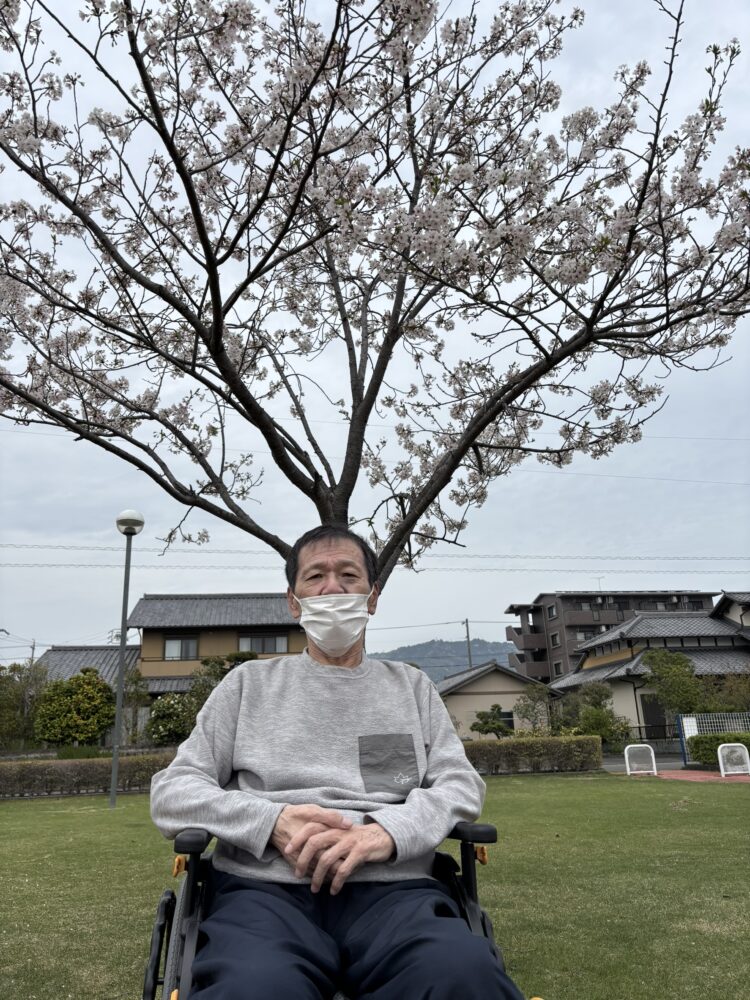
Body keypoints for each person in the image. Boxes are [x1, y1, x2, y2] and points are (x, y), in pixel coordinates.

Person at [150, 525, 525, 1000]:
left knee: (462, 974)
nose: (332, 588)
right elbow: (173, 791)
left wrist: (386, 832)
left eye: (348, 576)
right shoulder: (247, 685)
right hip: (263, 895)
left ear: (372, 597)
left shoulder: (411, 687)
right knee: (258, 987)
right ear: (293, 602)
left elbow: (459, 784)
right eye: (315, 577)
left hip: (396, 894)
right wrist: (271, 821)